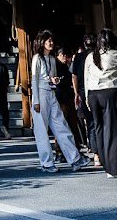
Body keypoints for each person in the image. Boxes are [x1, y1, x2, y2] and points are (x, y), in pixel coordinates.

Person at [29, 30, 91, 174]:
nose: (51, 43)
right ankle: (46, 162)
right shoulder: (37, 58)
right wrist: (35, 101)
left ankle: (74, 159)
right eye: (48, 41)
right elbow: (34, 79)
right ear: (42, 42)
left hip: (51, 93)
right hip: (41, 94)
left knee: (61, 126)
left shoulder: (51, 59)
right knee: (41, 130)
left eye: (51, 40)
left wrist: (54, 80)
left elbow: (49, 76)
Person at [83, 28, 117, 178]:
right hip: (109, 93)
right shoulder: (114, 55)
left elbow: (86, 78)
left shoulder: (90, 57)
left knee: (99, 130)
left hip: (93, 95)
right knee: (112, 131)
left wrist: (87, 97)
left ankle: (107, 166)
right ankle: (115, 169)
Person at [71, 34, 97, 165]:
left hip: (83, 91)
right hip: (98, 89)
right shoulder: (98, 55)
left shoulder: (78, 57)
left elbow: (74, 76)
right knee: (100, 122)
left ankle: (96, 153)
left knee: (91, 123)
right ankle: (100, 151)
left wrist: (76, 93)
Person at [55, 46, 86, 150]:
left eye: (66, 55)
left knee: (72, 124)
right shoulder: (55, 65)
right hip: (61, 98)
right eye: (63, 55)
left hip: (69, 96)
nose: (65, 57)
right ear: (59, 55)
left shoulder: (66, 65)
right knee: (62, 124)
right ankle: (59, 149)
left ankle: (74, 146)